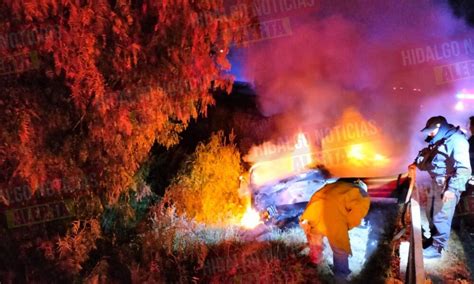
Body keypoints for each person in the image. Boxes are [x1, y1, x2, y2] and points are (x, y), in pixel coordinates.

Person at [415, 116, 471, 259]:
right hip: (437, 183)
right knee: (432, 212)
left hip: (448, 185)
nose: (429, 134)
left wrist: (452, 189)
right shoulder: (441, 139)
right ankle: (433, 239)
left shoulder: (457, 141)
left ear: (440, 127)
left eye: (431, 131)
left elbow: (464, 169)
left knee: (441, 216)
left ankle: (437, 248)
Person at [299, 179, 370, 281]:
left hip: (311, 213)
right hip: (332, 217)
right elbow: (355, 217)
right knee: (340, 250)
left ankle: (313, 273)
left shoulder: (336, 185)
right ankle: (340, 278)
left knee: (315, 246)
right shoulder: (362, 194)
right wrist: (345, 227)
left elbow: (315, 197)